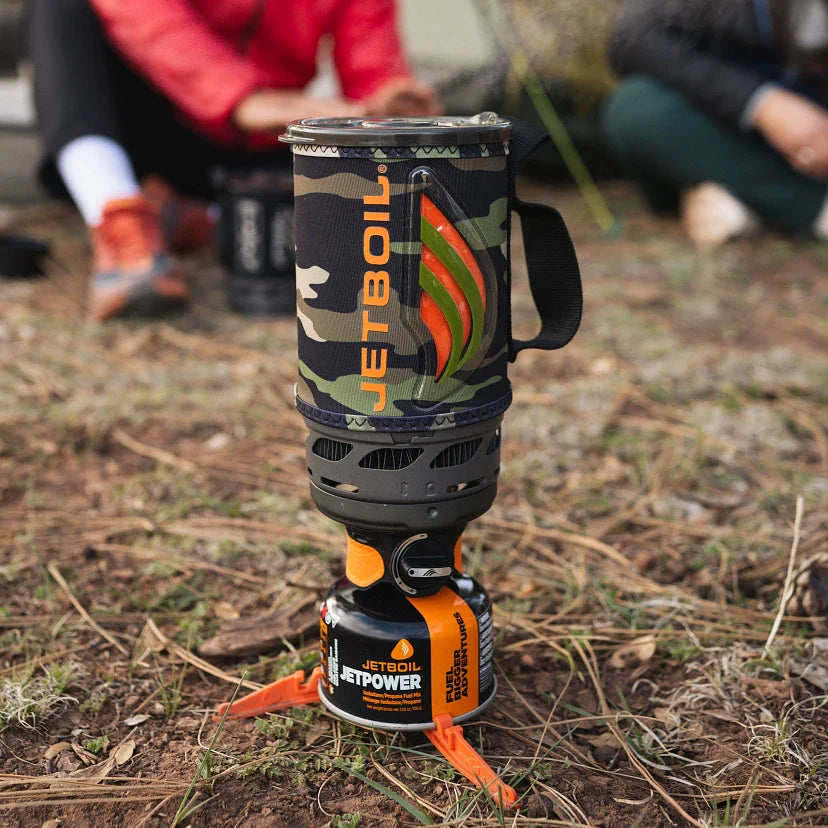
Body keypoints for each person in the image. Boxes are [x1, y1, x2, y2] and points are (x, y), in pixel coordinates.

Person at [28, 0, 440, 320]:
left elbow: (371, 61)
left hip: (266, 144)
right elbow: (146, 16)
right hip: (157, 121)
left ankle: (194, 217)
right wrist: (236, 96)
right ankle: (121, 217)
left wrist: (389, 103)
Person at [602, 0, 828, 250]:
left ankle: (743, 196)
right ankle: (806, 204)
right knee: (639, 108)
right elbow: (632, 39)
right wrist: (760, 103)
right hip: (726, 120)